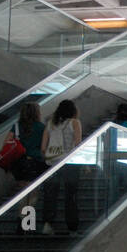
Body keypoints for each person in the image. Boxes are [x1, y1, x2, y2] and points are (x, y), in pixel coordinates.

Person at [41, 100, 82, 236]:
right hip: (69, 164)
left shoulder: (50, 124)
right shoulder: (74, 123)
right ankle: (72, 228)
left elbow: (43, 148)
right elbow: (78, 145)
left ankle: (48, 223)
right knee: (70, 196)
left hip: (51, 164)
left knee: (50, 194)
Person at [8, 98, 47, 196]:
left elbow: (7, 142)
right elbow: (44, 147)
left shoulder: (16, 126)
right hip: (35, 162)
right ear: (37, 113)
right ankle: (27, 210)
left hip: (18, 162)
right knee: (32, 192)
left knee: (21, 192)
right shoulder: (42, 127)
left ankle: (22, 210)